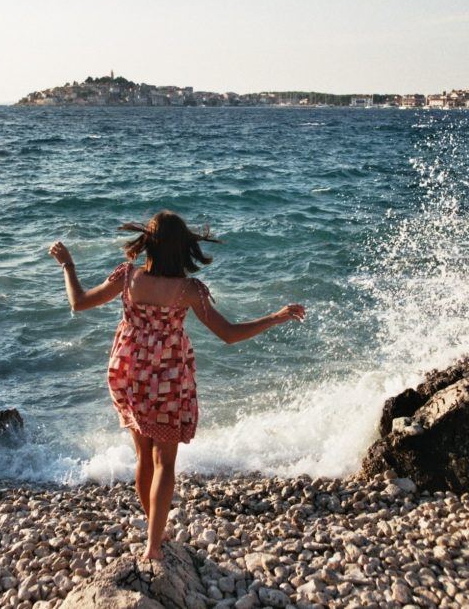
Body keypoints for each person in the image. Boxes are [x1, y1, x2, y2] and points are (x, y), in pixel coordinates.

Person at [49, 210, 305, 560]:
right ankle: (154, 545)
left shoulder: (128, 278)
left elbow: (78, 303)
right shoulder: (189, 291)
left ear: (148, 244)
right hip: (167, 379)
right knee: (164, 463)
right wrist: (275, 317)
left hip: (129, 375)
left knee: (143, 457)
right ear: (183, 249)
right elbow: (229, 334)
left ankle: (155, 530)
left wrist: (68, 265)